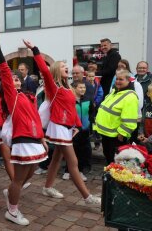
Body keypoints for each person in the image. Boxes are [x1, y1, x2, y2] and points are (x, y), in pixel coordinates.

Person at [24, 39, 101, 205]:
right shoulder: (54, 86)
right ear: (56, 71)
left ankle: (47, 187)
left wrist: (77, 126)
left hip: (66, 128)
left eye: (67, 66)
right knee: (73, 162)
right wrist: (35, 50)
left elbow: (72, 110)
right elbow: (44, 70)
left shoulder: (67, 87)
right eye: (62, 66)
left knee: (56, 159)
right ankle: (87, 197)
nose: (66, 67)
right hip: (59, 127)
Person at [0, 27, 47, 225]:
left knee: (29, 172)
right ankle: (12, 211)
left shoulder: (27, 96)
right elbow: (4, 68)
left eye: (16, 78)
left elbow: (37, 118)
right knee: (20, 179)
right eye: (10, 79)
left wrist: (41, 138)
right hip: (22, 139)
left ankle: (11, 190)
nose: (14, 80)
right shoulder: (11, 97)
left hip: (34, 139)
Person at [94, 69, 139, 164]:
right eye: (117, 79)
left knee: (115, 159)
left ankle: (114, 176)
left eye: (121, 79)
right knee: (108, 156)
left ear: (128, 80)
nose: (118, 81)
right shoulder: (115, 91)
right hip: (107, 133)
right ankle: (110, 174)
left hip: (116, 136)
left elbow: (129, 119)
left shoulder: (130, 97)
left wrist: (122, 133)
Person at [62, 81, 94, 181]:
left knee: (82, 152)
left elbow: (92, 113)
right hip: (72, 130)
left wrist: (89, 123)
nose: (83, 89)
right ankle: (67, 170)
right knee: (71, 151)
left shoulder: (88, 99)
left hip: (84, 130)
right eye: (80, 87)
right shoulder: (69, 100)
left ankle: (80, 171)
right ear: (74, 88)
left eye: (84, 88)